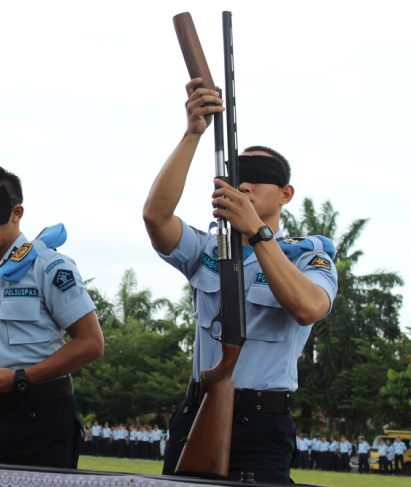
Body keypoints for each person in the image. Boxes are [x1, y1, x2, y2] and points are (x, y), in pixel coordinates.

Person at [144, 78, 338, 484]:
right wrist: (193, 133)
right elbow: (156, 218)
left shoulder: (306, 256)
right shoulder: (207, 249)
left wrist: (258, 234)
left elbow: (309, 308)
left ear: (286, 194)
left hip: (261, 422)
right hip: (196, 413)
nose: (244, 183)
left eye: (258, 175)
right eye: (237, 173)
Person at [0, 165, 104, 468]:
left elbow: (91, 343)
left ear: (16, 212)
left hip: (45, 418)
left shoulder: (50, 267)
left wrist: (22, 378)